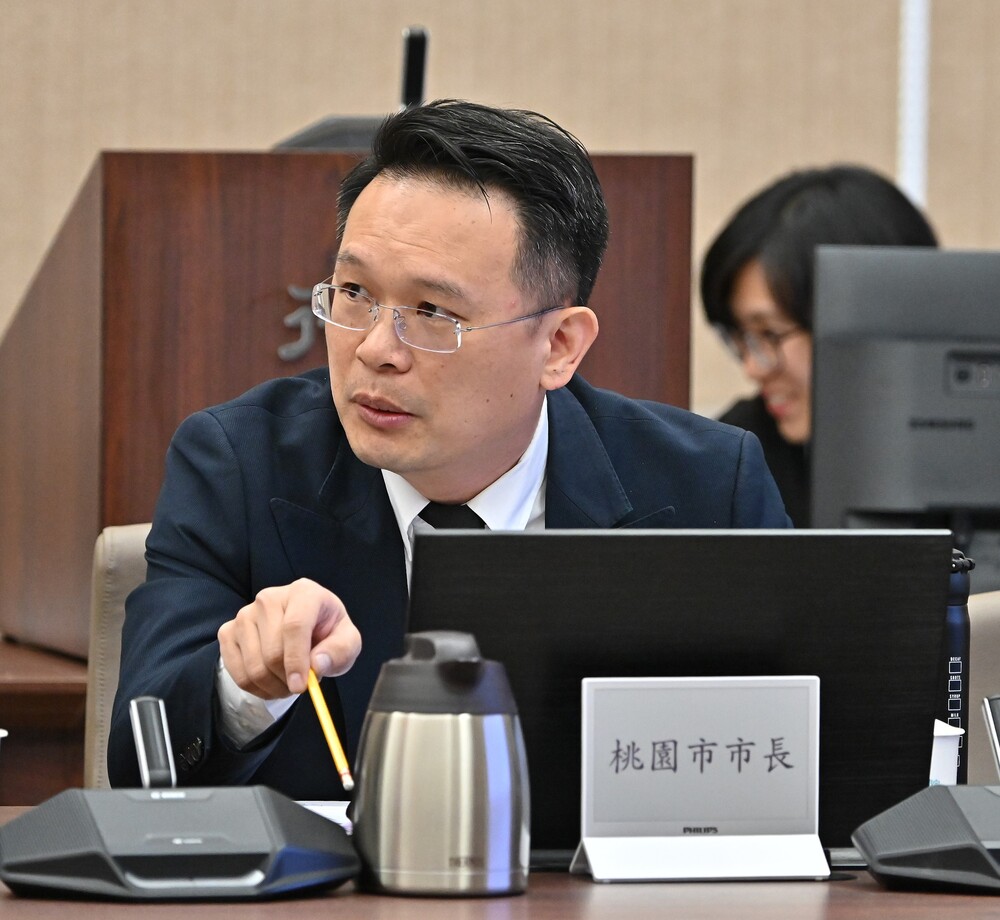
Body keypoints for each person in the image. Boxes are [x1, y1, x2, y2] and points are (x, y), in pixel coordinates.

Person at [109, 99, 790, 796]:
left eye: (432, 312)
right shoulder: (239, 466)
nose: (375, 349)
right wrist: (242, 688)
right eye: (354, 292)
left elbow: (797, 760)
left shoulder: (706, 488)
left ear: (559, 346)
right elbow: (140, 764)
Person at [700, 165, 938, 526]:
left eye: (769, 334)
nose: (753, 367)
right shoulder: (740, 457)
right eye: (742, 338)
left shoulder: (974, 459)